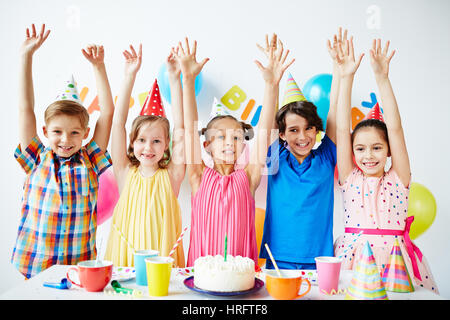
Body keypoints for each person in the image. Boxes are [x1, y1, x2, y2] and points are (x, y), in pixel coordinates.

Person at [173, 37, 294, 266]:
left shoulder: (248, 177)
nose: (230, 142)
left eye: (237, 137)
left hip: (241, 281)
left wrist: (272, 86)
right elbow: (190, 128)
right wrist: (188, 81)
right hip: (201, 276)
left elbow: (266, 129)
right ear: (206, 146)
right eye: (221, 137)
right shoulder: (198, 176)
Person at [333, 37, 438, 293]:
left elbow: (395, 128)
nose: (368, 155)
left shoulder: (398, 178)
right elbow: (341, 125)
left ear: (389, 149)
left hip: (396, 259)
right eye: (360, 148)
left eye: (377, 147)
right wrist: (346, 78)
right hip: (354, 258)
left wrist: (382, 79)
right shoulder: (349, 177)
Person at [12, 24, 114, 278]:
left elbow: (108, 113)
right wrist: (27, 56)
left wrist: (98, 67)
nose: (65, 139)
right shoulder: (36, 156)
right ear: (45, 131)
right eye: (57, 132)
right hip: (35, 265)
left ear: (86, 134)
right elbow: (26, 108)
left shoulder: (90, 158)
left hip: (79, 267)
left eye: (74, 133)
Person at [259, 29, 345, 270]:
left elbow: (336, 111)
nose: (303, 136)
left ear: (316, 129)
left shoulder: (326, 157)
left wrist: (338, 70)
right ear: (283, 134)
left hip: (319, 260)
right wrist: (271, 84)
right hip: (278, 258)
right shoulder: (275, 157)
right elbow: (267, 125)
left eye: (308, 128)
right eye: (294, 130)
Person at [104, 44, 186, 267]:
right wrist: (129, 75)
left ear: (167, 144)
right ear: (132, 142)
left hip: (162, 261)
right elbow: (118, 124)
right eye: (141, 140)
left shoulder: (173, 175)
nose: (148, 147)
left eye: (156, 141)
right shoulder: (123, 171)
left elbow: (180, 128)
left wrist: (174, 78)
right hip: (126, 259)